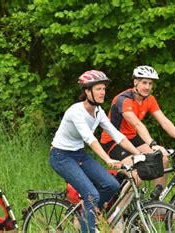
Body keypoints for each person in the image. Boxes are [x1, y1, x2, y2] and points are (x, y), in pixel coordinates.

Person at [49, 70, 142, 233]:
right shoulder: (76, 111)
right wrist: (108, 159)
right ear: (87, 91)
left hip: (78, 154)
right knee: (92, 195)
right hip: (61, 156)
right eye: (98, 89)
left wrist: (138, 154)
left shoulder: (98, 112)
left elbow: (117, 135)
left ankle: (87, 215)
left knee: (111, 185)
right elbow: (90, 139)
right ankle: (88, 225)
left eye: (104, 89)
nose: (103, 92)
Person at [100, 65, 175, 192]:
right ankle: (119, 210)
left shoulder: (149, 99)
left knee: (163, 159)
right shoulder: (123, 100)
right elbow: (138, 125)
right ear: (135, 82)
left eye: (150, 83)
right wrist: (152, 144)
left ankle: (157, 204)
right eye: (144, 82)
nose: (147, 87)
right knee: (136, 177)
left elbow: (164, 121)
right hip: (114, 142)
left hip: (132, 138)